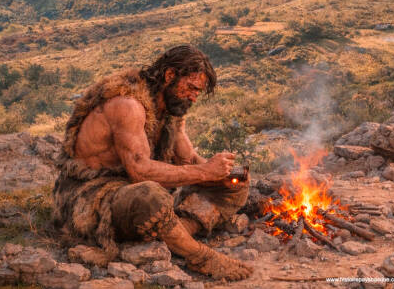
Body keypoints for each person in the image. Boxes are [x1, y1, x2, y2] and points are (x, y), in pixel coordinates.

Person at [52, 45, 253, 280]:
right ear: (169, 76)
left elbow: (188, 159)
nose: (193, 97)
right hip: (90, 200)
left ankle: (175, 231)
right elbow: (139, 171)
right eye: (190, 88)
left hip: (134, 192)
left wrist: (220, 174)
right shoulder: (128, 106)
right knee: (150, 195)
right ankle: (198, 255)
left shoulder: (169, 108)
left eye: (197, 93)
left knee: (236, 183)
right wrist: (204, 172)